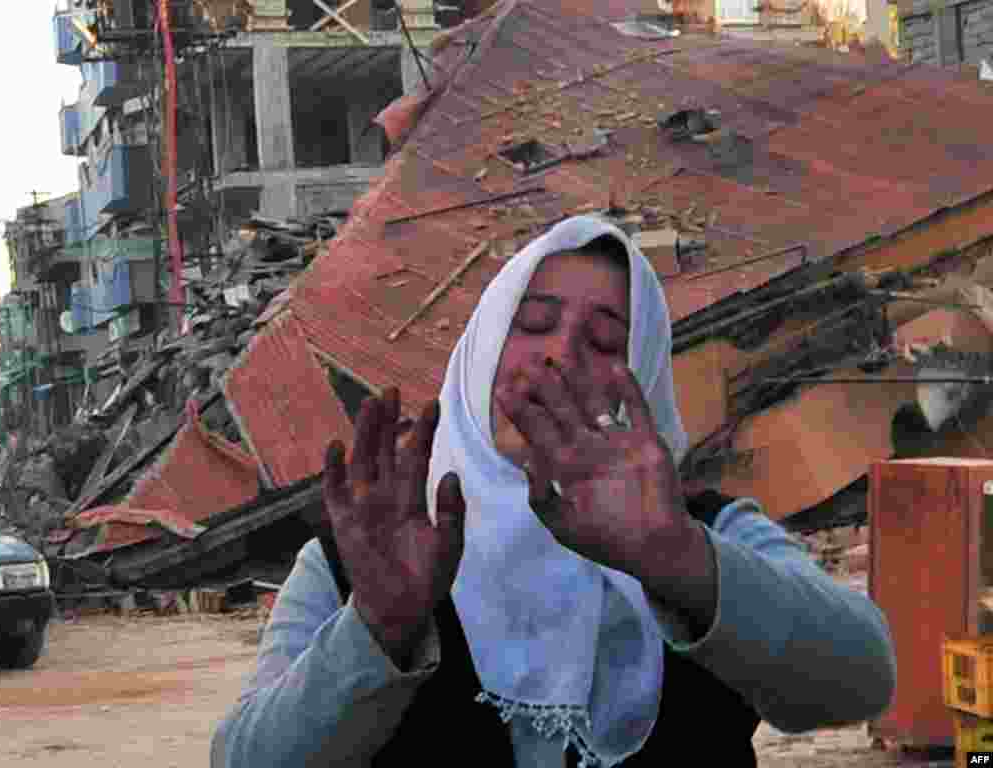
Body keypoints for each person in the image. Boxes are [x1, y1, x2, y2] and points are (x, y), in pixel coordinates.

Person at [211, 215, 896, 767]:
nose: (559, 356)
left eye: (603, 341)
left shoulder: (706, 535)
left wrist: (674, 559)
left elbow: (864, 679)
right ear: (480, 351)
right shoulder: (363, 559)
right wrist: (378, 628)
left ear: (642, 378)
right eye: (533, 323)